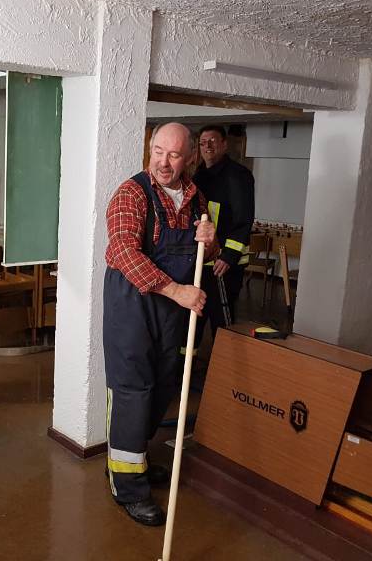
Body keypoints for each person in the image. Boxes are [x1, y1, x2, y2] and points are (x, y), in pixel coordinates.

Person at [103, 122, 218, 526]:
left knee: (163, 385)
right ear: (148, 149)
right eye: (157, 151)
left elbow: (205, 256)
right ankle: (127, 487)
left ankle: (133, 462)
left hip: (170, 312)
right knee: (133, 391)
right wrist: (177, 291)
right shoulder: (132, 193)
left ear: (189, 158)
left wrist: (210, 241)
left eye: (173, 154)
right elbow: (123, 251)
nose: (163, 162)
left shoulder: (196, 198)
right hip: (132, 307)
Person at [192, 125, 254, 344]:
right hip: (201, 261)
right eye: (203, 142)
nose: (207, 146)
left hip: (223, 265)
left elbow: (243, 219)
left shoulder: (238, 176)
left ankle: (223, 362)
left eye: (213, 141)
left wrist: (228, 256)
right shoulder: (199, 176)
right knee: (194, 318)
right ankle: (189, 362)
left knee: (221, 319)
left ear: (224, 144)